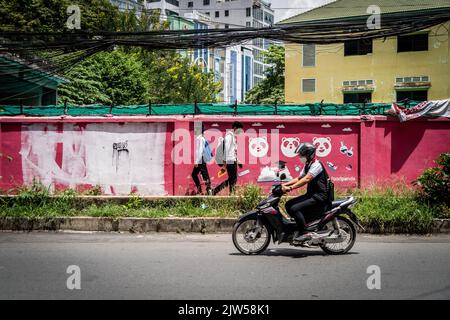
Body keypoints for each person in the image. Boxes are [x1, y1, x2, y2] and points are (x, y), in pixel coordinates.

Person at [281, 142, 331, 243]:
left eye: (301, 155)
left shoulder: (317, 165)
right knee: (288, 204)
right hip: (312, 194)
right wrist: (284, 185)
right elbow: (299, 178)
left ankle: (304, 232)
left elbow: (306, 179)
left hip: (319, 196)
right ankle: (302, 225)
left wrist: (290, 188)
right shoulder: (308, 164)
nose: (300, 157)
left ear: (309, 154)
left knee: (294, 208)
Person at [213, 121, 244, 195]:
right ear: (235, 128)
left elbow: (232, 151)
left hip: (232, 160)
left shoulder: (232, 137)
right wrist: (224, 164)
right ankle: (229, 193)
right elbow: (226, 150)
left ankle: (217, 191)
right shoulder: (229, 136)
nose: (240, 132)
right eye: (239, 130)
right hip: (229, 161)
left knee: (232, 179)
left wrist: (238, 161)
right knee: (233, 179)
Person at [192, 126, 212, 195]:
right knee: (196, 174)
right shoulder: (201, 138)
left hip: (201, 159)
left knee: (204, 175)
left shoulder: (200, 139)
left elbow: (200, 151)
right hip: (201, 159)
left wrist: (197, 161)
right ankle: (201, 190)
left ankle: (208, 191)